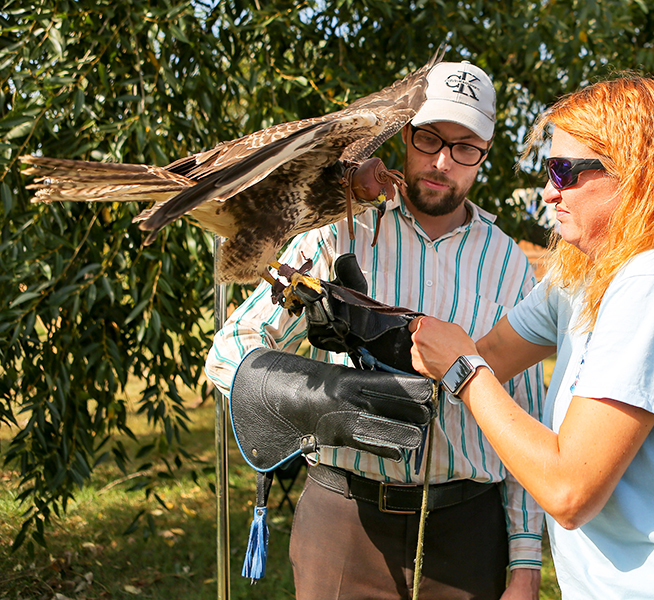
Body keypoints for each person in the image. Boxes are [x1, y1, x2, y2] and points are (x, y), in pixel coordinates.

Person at [410, 76, 654, 599]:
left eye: (565, 171)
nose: (549, 191)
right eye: (547, 170)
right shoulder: (583, 275)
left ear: (637, 176)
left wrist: (463, 371)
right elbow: (491, 355)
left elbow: (568, 488)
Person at [206, 61, 546, 600]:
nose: (441, 161)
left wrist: (525, 565)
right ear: (403, 133)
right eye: (428, 137)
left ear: (485, 154)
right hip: (344, 524)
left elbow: (527, 413)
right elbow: (229, 352)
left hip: (466, 531)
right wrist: (320, 399)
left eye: (465, 147)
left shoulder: (508, 264)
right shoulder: (341, 228)